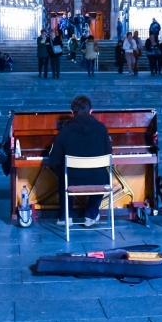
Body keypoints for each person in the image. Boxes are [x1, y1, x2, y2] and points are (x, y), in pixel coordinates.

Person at [49, 96, 113, 227]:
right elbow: (108, 155)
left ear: (72, 113)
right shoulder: (102, 128)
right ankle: (91, 214)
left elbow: (54, 161)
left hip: (72, 179)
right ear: (91, 111)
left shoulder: (65, 131)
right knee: (104, 175)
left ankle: (66, 216)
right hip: (98, 179)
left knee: (64, 175)